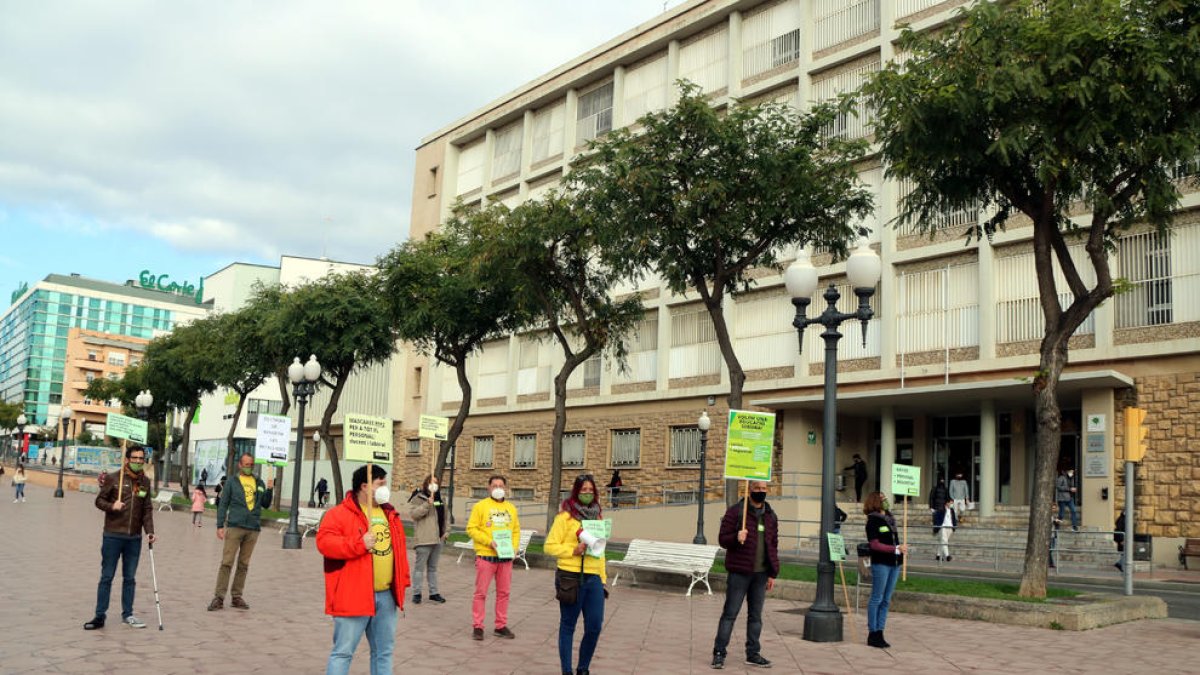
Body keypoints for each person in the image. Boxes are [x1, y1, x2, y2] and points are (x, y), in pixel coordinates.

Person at [317, 464, 410, 675]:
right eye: (381, 483)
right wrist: (359, 543)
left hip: (386, 596)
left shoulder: (390, 514)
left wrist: (402, 583)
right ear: (365, 486)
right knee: (343, 652)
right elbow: (325, 543)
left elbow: (399, 552)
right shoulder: (338, 514)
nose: (386, 488)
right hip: (353, 593)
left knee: (383, 652)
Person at [83, 446, 156, 630]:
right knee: (107, 576)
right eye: (135, 458)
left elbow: (147, 509)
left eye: (141, 458)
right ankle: (100, 616)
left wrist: (150, 531)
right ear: (126, 459)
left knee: (130, 578)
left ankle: (128, 614)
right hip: (113, 536)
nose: (139, 461)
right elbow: (99, 501)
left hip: (134, 538)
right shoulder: (114, 478)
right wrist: (112, 506)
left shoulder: (145, 482)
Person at [711, 480, 778, 669]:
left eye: (764, 489)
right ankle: (719, 653)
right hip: (739, 573)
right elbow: (722, 539)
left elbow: (773, 545)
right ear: (749, 489)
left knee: (755, 616)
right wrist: (736, 537)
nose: (761, 492)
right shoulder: (736, 512)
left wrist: (773, 572)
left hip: (761, 574)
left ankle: (753, 653)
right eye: (757, 488)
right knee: (730, 614)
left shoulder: (771, 516)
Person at [546, 475, 608, 675]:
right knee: (568, 626)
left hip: (594, 579)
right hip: (570, 577)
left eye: (591, 490)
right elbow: (549, 546)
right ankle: (567, 671)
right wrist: (573, 550)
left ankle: (583, 668)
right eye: (583, 490)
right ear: (575, 492)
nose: (587, 493)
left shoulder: (598, 517)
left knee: (594, 626)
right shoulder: (564, 517)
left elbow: (601, 552)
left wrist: (603, 579)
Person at [207, 453, 272, 611]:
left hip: (253, 528)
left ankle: (237, 596)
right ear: (240, 465)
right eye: (247, 464)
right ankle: (219, 597)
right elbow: (223, 504)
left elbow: (265, 504)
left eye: (252, 465)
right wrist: (220, 525)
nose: (249, 467)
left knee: (244, 564)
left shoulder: (259, 482)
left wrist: (270, 489)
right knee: (227, 562)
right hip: (235, 526)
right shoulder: (231, 482)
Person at [466, 474, 520, 640]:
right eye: (494, 485)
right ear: (489, 488)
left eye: (501, 486)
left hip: (505, 558)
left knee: (504, 593)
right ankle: (478, 626)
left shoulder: (511, 508)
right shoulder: (480, 506)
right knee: (481, 593)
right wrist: (489, 542)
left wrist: (514, 547)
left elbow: (516, 530)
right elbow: (471, 528)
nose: (498, 488)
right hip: (486, 556)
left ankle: (501, 625)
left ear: (505, 489)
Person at [864, 491, 907, 648]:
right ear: (875, 501)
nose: (886, 501)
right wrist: (895, 548)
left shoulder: (890, 520)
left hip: (895, 563)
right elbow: (874, 544)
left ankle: (880, 631)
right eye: (883, 499)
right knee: (877, 598)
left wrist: (900, 550)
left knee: (886, 599)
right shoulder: (873, 522)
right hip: (881, 563)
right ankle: (872, 632)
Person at [406, 474, 447, 604]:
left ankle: (433, 592)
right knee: (419, 568)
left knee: (433, 568)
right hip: (424, 539)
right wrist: (426, 504)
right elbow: (414, 514)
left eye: (436, 482)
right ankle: (417, 593)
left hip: (438, 539)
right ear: (426, 483)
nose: (433, 485)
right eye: (431, 482)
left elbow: (446, 517)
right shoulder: (418, 497)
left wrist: (447, 532)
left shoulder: (440, 499)